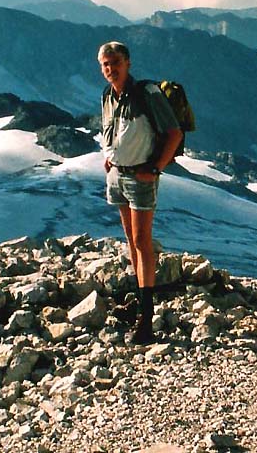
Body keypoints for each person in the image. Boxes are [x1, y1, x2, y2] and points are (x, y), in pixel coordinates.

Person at [98, 41, 183, 344]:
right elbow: (112, 132)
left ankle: (146, 317)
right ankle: (139, 303)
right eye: (106, 64)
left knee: (141, 240)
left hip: (141, 176)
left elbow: (174, 133)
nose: (111, 69)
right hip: (117, 175)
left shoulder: (146, 94)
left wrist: (157, 168)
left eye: (115, 62)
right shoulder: (108, 96)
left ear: (128, 63)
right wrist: (109, 156)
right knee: (131, 241)